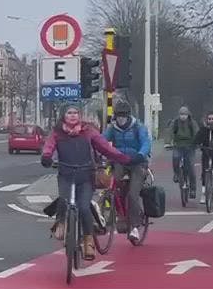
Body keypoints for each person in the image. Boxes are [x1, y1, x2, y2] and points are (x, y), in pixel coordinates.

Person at [41, 105, 141, 257]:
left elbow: (105, 148)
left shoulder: (88, 131)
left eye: (76, 113)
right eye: (69, 113)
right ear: (64, 116)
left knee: (84, 207)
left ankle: (88, 242)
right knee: (63, 200)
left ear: (80, 115)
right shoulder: (57, 133)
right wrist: (46, 157)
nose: (73, 116)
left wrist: (125, 159)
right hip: (66, 175)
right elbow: (49, 147)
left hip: (85, 176)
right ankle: (60, 224)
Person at [102, 100, 152, 244]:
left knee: (132, 194)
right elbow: (102, 141)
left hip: (137, 162)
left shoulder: (138, 127)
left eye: (124, 116)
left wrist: (141, 155)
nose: (121, 118)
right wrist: (98, 154)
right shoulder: (112, 128)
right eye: (118, 116)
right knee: (112, 186)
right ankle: (119, 216)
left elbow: (146, 142)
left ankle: (135, 226)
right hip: (120, 160)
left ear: (129, 115)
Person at [170, 106, 199, 193]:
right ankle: (176, 174)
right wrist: (168, 142)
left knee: (191, 168)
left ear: (188, 115)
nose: (183, 116)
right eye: (181, 114)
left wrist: (196, 142)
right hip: (178, 145)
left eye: (185, 114)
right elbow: (170, 132)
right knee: (175, 158)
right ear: (179, 115)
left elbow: (197, 132)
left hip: (190, 146)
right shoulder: (175, 122)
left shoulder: (192, 123)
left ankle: (193, 189)